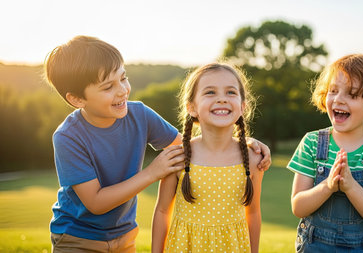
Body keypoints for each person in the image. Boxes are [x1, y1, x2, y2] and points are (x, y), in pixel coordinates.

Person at [45, 36, 270, 253]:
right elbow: (95, 202)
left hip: (124, 233)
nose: (122, 90)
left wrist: (240, 142)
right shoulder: (68, 137)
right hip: (77, 237)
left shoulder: (140, 115)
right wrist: (153, 173)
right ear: (77, 99)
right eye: (108, 87)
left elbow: (191, 146)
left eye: (123, 78)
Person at [287, 54, 363, 252]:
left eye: (352, 94)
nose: (338, 100)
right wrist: (328, 186)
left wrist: (350, 186)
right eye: (333, 91)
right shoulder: (312, 142)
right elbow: (298, 207)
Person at [151, 63, 265, 253]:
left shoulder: (253, 159)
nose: (222, 99)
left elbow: (253, 213)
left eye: (230, 92)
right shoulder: (178, 157)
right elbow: (162, 211)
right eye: (210, 92)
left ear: (243, 106)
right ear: (192, 107)